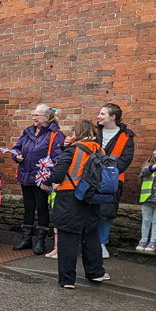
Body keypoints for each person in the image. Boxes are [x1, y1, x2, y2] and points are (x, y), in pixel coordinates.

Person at [49, 120, 109, 289]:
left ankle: (67, 280)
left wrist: (48, 180)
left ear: (77, 132)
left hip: (70, 197)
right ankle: (96, 273)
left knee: (68, 238)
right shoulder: (100, 150)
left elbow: (58, 175)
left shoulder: (74, 149)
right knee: (91, 236)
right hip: (92, 198)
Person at [10, 103, 64, 253]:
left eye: (36, 115)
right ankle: (26, 239)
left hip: (42, 178)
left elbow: (58, 157)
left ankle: (41, 241)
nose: (33, 118)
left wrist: (51, 177)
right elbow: (16, 148)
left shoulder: (55, 134)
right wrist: (17, 156)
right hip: (25, 175)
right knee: (28, 207)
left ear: (46, 117)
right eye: (33, 115)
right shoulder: (27, 132)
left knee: (41, 208)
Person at [96, 103, 135, 258]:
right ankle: (88, 241)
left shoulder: (126, 136)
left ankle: (101, 243)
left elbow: (125, 160)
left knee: (106, 212)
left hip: (113, 180)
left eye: (102, 114)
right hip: (91, 178)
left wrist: (106, 170)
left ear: (113, 117)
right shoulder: (94, 132)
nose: (98, 116)